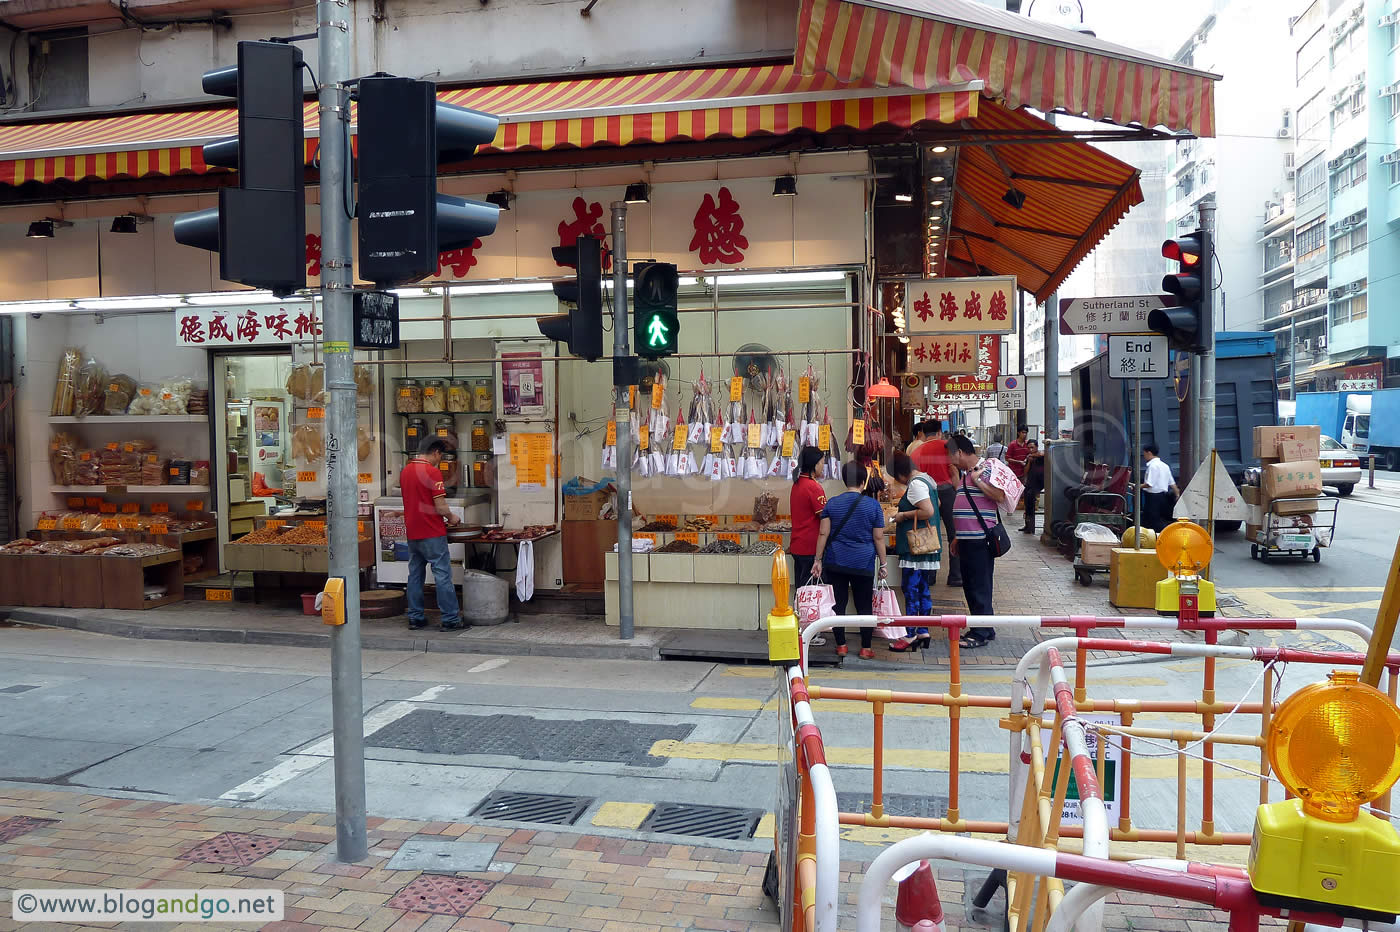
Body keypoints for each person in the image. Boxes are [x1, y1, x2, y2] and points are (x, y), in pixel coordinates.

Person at [812, 461, 888, 659]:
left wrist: (817, 560)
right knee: (864, 605)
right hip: (863, 562)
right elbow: (878, 538)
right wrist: (884, 563)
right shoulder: (873, 506)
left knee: (838, 604)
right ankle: (865, 648)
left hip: (836, 560)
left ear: (845, 480)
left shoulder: (832, 503)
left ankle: (841, 645)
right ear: (864, 481)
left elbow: (823, 533)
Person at [401, 438, 465, 632]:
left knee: (415, 575)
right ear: (436, 452)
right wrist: (452, 517)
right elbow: (440, 506)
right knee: (442, 575)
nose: (440, 460)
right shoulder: (432, 471)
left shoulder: (406, 471)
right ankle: (450, 619)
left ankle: (415, 617)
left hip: (413, 532)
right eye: (441, 456)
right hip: (432, 532)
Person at [949, 434, 1007, 649]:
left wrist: (978, 481)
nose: (950, 460)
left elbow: (999, 496)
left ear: (960, 452)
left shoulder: (985, 470)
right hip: (967, 539)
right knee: (972, 586)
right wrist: (958, 535)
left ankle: (980, 632)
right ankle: (985, 627)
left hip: (980, 540)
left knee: (979, 587)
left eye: (951, 455)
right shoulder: (967, 474)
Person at [887, 452, 941, 652]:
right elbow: (937, 505)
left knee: (910, 590)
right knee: (923, 589)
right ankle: (923, 630)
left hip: (916, 547)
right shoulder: (927, 479)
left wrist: (902, 516)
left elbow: (928, 511)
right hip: (926, 546)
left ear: (901, 473)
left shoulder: (916, 484)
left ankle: (910, 635)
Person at [912, 421, 963, 587]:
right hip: (948, 492)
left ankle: (929, 575)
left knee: (928, 532)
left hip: (925, 493)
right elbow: (954, 471)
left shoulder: (916, 451)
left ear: (923, 433)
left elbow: (913, 476)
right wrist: (959, 492)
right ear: (939, 432)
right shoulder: (947, 447)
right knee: (953, 533)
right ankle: (955, 576)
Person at [789, 447, 828, 587]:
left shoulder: (797, 484)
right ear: (815, 464)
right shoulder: (814, 487)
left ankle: (798, 609)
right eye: (822, 463)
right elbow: (825, 518)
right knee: (812, 593)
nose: (823, 467)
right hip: (811, 548)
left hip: (797, 545)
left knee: (801, 591)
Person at [1141, 444, 1180, 532]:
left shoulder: (1152, 466)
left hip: (1152, 497)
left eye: (1144, 454)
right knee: (1155, 519)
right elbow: (1172, 483)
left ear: (1149, 453)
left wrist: (1137, 486)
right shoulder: (1165, 466)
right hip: (1162, 496)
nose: (1144, 456)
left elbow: (1149, 484)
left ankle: (1165, 535)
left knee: (1153, 520)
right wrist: (1177, 494)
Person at [1021, 440, 1045, 535]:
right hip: (1031, 482)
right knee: (1028, 503)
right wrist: (1029, 461)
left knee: (1031, 499)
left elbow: (1042, 453)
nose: (1031, 450)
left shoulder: (1040, 455)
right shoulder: (1029, 458)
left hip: (1039, 482)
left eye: (1032, 447)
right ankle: (1028, 525)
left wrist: (1033, 455)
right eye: (1029, 448)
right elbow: (1025, 471)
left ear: (1036, 447)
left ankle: (1030, 526)